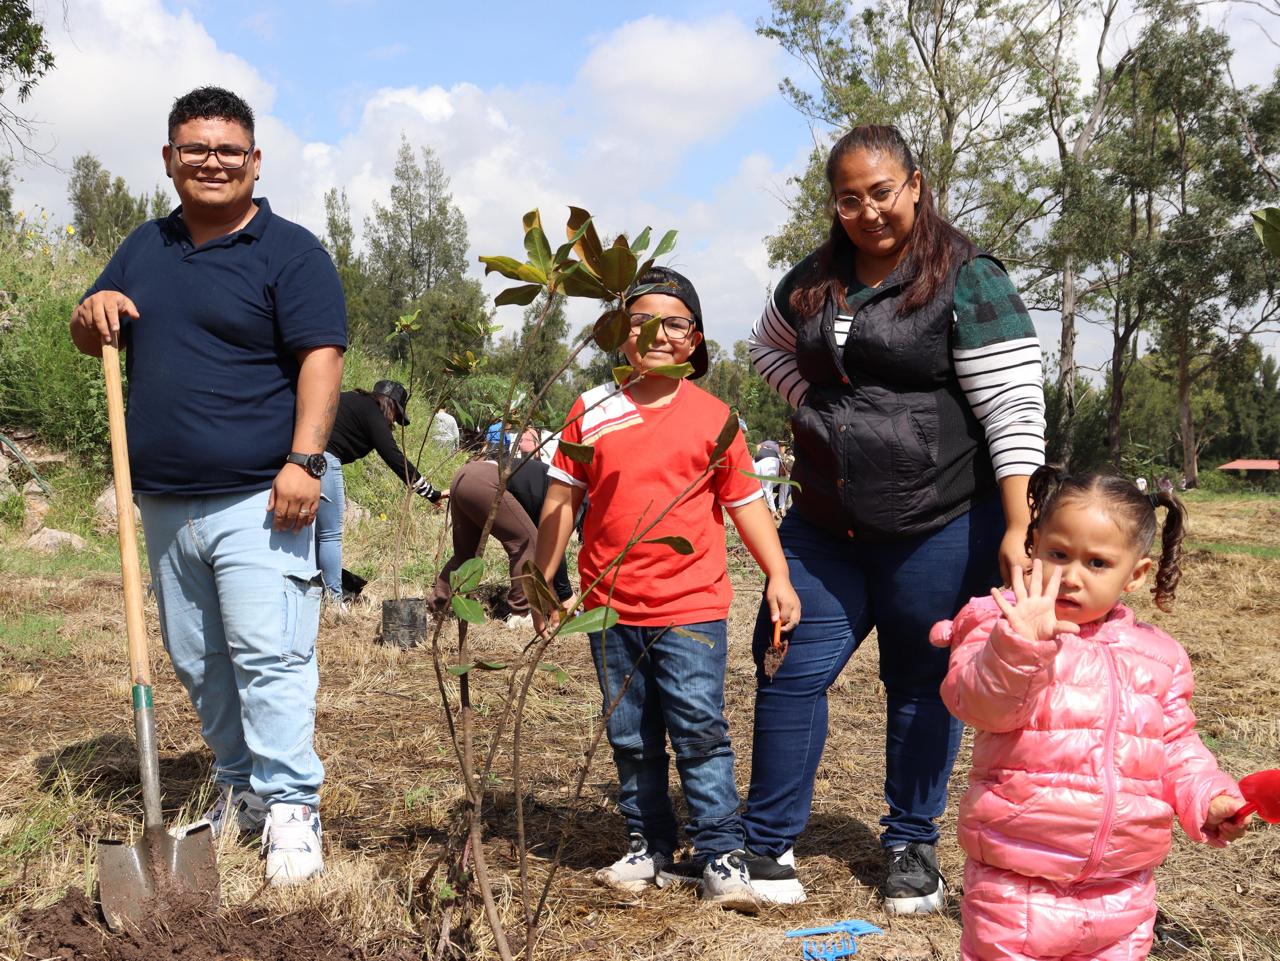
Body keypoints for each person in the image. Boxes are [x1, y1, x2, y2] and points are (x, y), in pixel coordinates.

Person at [742, 124, 1047, 910]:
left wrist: (1016, 525)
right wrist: (822, 409)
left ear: (915, 183)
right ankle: (768, 845)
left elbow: (1011, 403)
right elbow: (766, 349)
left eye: (882, 191)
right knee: (787, 666)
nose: (868, 211)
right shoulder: (811, 281)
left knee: (921, 680)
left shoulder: (967, 276)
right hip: (823, 524)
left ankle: (911, 845)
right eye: (850, 198)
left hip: (940, 521)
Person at [69, 87, 345, 885]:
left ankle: (292, 805)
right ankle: (240, 789)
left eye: (228, 150)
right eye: (195, 148)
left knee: (270, 654)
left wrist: (305, 462)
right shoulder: (144, 246)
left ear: (254, 162)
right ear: (169, 160)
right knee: (198, 660)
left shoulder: (291, 252)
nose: (211, 161)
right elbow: (93, 330)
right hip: (161, 502)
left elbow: (320, 357)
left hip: (258, 495)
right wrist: (94, 314)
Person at [534, 266, 801, 912]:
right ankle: (647, 843)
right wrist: (544, 581)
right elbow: (561, 500)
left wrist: (779, 573)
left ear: (695, 339)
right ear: (620, 334)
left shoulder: (714, 418)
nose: (656, 333)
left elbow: (745, 504)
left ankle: (720, 853)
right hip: (606, 610)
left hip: (690, 611)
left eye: (673, 321)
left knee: (699, 730)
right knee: (630, 733)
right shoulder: (590, 411)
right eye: (640, 320)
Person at [930, 467, 1250, 961]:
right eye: (1058, 554)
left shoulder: (1159, 656)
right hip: (1017, 886)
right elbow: (977, 704)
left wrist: (1209, 796)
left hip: (1123, 892)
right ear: (1033, 546)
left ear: (1136, 574)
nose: (1071, 576)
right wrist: (1019, 645)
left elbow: (1177, 748)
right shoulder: (1000, 622)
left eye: (1097, 563)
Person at [318, 380, 445, 605]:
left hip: (301, 454)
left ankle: (318, 590)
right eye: (396, 416)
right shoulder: (372, 413)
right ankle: (334, 600)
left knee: (311, 534)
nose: (394, 422)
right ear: (390, 405)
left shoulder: (352, 402)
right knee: (329, 534)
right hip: (324, 460)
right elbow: (396, 459)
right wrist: (431, 494)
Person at [430, 448, 570, 629]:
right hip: (485, 479)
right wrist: (565, 595)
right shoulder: (566, 494)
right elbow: (553, 543)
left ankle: (435, 606)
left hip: (464, 476)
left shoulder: (547, 479)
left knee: (465, 555)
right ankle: (521, 613)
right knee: (526, 542)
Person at [752, 439, 784, 515]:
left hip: (768, 481)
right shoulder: (771, 468)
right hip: (755, 480)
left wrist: (782, 507)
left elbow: (784, 489)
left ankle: (776, 509)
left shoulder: (786, 466)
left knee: (788, 488)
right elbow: (767, 489)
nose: (785, 474)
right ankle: (768, 512)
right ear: (782, 467)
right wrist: (773, 510)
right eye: (784, 472)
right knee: (762, 494)